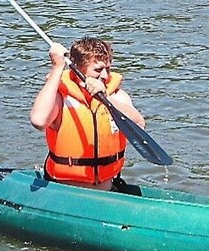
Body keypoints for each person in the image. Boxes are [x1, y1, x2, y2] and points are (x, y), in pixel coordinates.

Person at [29, 37, 146, 191]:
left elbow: (139, 127)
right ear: (77, 69)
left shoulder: (117, 97)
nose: (105, 75)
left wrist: (106, 99)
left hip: (106, 189)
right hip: (63, 190)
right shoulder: (60, 98)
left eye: (108, 69)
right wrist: (57, 67)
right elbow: (38, 121)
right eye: (98, 70)